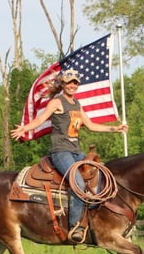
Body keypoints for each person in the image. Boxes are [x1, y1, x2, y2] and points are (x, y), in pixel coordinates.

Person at [10, 68, 128, 244]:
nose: (72, 86)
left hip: (76, 152)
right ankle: (75, 226)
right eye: (69, 82)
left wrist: (115, 128)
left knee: (99, 174)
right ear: (63, 84)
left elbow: (91, 125)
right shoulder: (57, 102)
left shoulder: (77, 104)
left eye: (75, 83)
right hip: (60, 152)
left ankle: (96, 218)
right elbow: (40, 121)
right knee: (78, 183)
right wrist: (24, 129)